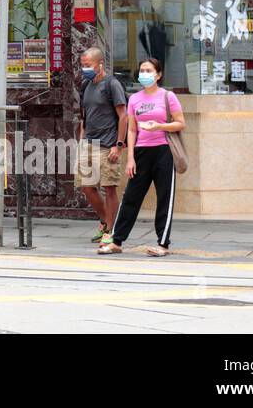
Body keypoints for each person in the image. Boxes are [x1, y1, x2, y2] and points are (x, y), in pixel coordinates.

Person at [100, 57, 183, 256]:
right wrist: (130, 157)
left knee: (164, 197)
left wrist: (160, 126)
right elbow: (132, 130)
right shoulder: (135, 99)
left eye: (149, 70)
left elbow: (180, 123)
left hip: (164, 150)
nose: (145, 74)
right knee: (131, 196)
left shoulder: (167, 96)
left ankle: (163, 244)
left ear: (159, 74)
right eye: (142, 70)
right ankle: (117, 241)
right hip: (141, 151)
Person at [76, 47, 128, 247]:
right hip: (88, 143)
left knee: (109, 188)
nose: (84, 69)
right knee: (87, 187)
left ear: (100, 64)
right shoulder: (86, 84)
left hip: (108, 145)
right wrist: (81, 141)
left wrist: (119, 145)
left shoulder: (112, 84)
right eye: (82, 65)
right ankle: (105, 221)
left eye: (87, 65)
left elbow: (124, 116)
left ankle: (110, 231)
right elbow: (84, 118)